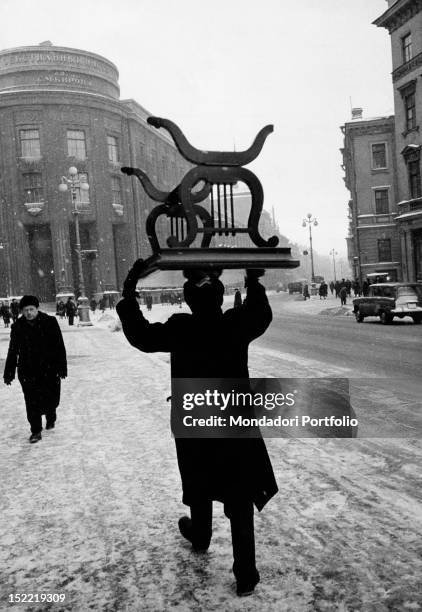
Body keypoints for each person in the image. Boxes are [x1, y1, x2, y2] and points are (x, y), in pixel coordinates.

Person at [117, 261, 278, 597]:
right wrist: (253, 280)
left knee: (199, 478)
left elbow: (141, 336)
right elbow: (260, 314)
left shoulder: (181, 328)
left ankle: (201, 535)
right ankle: (245, 574)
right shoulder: (235, 324)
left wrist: (129, 290)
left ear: (189, 300)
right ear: (220, 298)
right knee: (238, 493)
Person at [3, 295, 67, 443]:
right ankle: (36, 430)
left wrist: (62, 367)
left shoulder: (50, 322)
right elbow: (13, 350)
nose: (29, 313)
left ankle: (51, 415)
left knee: (51, 398)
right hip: (28, 370)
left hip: (49, 368)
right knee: (31, 401)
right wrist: (9, 372)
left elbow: (59, 346)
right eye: (25, 310)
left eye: (31, 309)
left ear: (37, 308)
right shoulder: (18, 327)